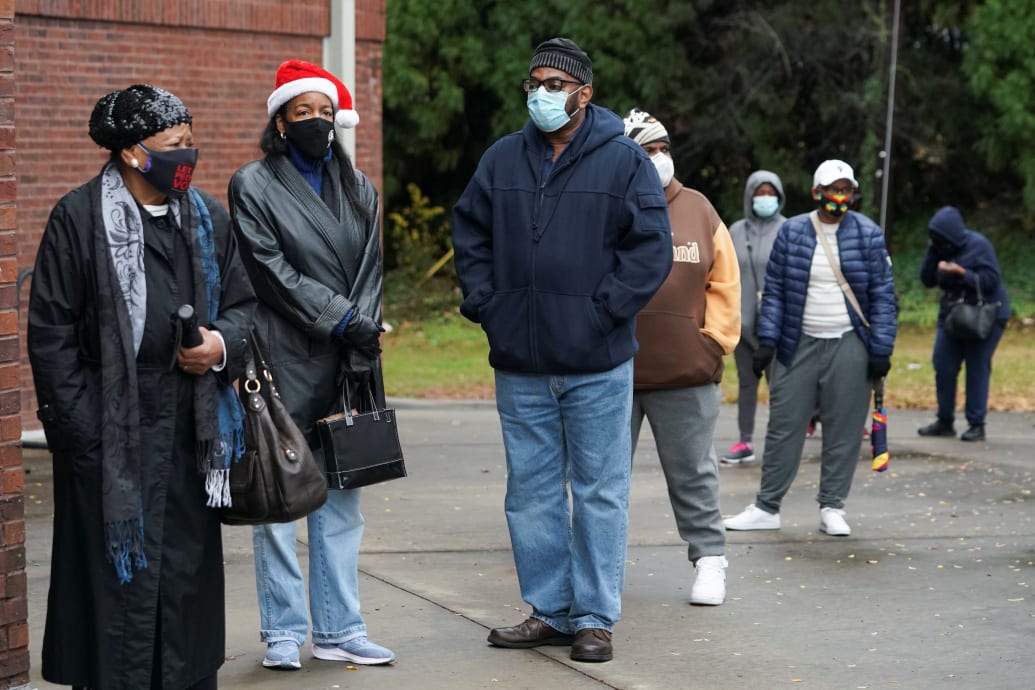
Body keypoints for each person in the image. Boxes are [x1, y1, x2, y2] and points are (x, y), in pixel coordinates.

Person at [27, 84, 257, 690]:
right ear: (133, 153)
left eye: (191, 143)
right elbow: (51, 335)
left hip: (189, 434)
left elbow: (244, 306)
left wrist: (219, 347)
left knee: (184, 589)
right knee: (113, 602)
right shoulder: (78, 218)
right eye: (175, 145)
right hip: (109, 441)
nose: (189, 155)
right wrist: (84, 437)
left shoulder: (207, 218)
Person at [452, 38, 672, 663]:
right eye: (534, 82)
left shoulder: (625, 162)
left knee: (600, 491)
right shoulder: (501, 160)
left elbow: (649, 249)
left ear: (584, 93)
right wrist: (487, 306)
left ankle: (595, 618)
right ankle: (550, 610)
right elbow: (469, 231)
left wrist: (602, 311)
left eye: (555, 83)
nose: (541, 93)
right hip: (521, 363)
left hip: (597, 364)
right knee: (532, 492)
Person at [228, 60, 395, 671]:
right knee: (280, 495)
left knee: (344, 498)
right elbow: (269, 270)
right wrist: (341, 316)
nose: (318, 124)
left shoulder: (360, 188)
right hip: (282, 355)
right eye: (304, 114)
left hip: (349, 358)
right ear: (280, 120)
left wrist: (362, 330)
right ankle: (281, 630)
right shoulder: (252, 184)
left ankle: (340, 628)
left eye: (326, 114)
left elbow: (372, 268)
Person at [724, 160, 897, 537]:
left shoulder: (867, 234)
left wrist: (881, 348)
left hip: (849, 343)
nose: (839, 196)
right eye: (832, 189)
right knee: (784, 425)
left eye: (846, 189)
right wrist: (767, 341)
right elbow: (776, 293)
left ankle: (832, 506)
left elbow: (883, 296)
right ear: (816, 193)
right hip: (797, 344)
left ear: (853, 193)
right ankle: (767, 506)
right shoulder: (794, 232)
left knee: (845, 427)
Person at [622, 109, 740, 605]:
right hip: (614, 372)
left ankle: (710, 560)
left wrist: (711, 341)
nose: (657, 158)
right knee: (600, 480)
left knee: (693, 472)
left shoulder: (699, 209)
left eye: (662, 148)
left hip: (686, 373)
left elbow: (727, 284)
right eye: (645, 150)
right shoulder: (609, 204)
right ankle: (593, 572)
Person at [917, 206, 1009, 442]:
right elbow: (927, 280)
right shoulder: (938, 250)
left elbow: (991, 281)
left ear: (954, 236)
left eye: (943, 240)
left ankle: (976, 424)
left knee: (977, 366)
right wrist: (932, 254)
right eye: (936, 239)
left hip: (984, 316)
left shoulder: (979, 245)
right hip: (953, 315)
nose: (941, 244)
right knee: (943, 365)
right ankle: (944, 421)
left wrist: (962, 273)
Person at [723, 170, 787, 463]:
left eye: (770, 192)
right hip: (742, 325)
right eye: (759, 193)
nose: (765, 198)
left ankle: (780, 444)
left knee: (781, 387)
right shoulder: (735, 230)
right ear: (750, 196)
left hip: (778, 327)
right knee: (747, 385)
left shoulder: (789, 229)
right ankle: (744, 441)